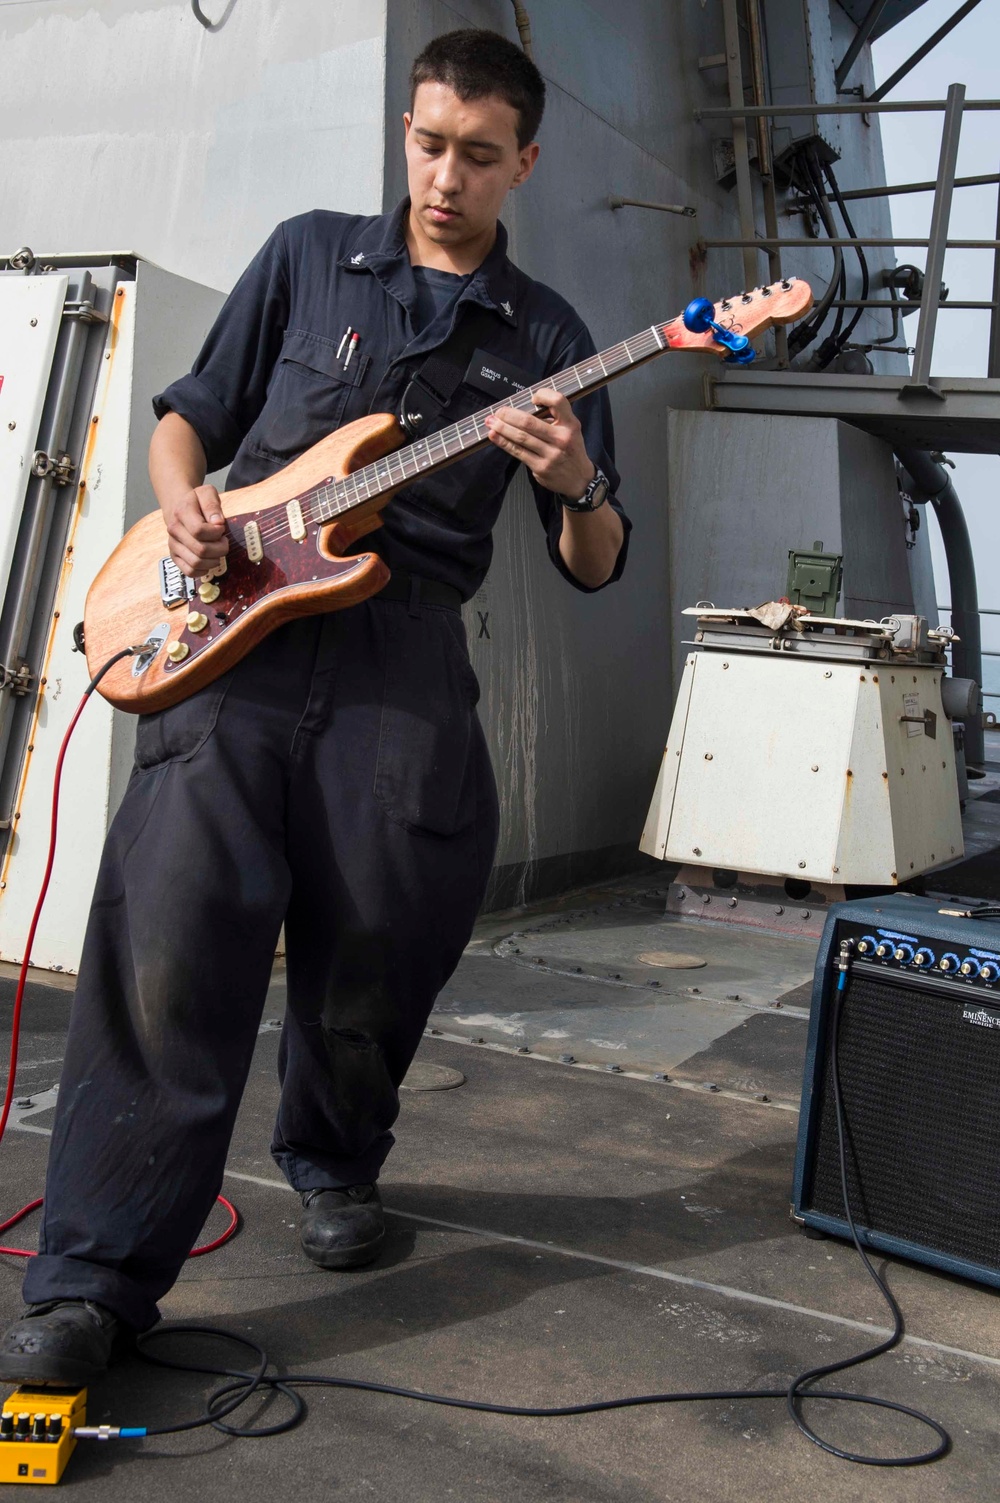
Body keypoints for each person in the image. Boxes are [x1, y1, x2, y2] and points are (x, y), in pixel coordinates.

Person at [0, 27, 629, 1386]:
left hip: (404, 660)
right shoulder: (305, 256)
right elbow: (189, 420)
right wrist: (184, 497)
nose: (444, 175)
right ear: (405, 131)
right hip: (237, 646)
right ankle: (94, 1281)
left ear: (523, 162)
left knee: (390, 937)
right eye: (426, 143)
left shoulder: (550, 342)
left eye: (476, 155)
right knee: (166, 941)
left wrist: (576, 477)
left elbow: (596, 562)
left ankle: (336, 1161)